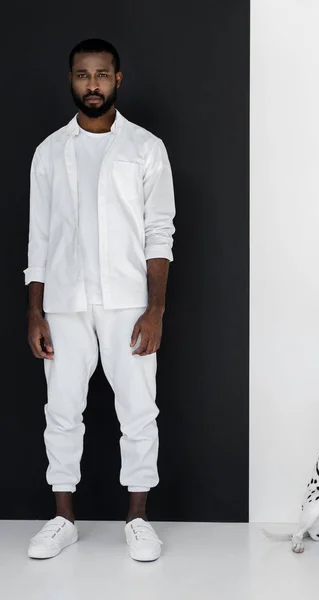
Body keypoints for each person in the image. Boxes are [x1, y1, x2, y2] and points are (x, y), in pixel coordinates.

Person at [24, 38, 176, 562]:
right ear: (71, 80)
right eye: (83, 75)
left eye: (102, 75)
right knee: (62, 409)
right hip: (65, 302)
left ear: (118, 80)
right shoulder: (49, 152)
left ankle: (137, 518)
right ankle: (63, 516)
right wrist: (34, 311)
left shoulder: (145, 148)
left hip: (128, 302)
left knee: (138, 409)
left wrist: (155, 309)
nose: (93, 84)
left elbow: (160, 233)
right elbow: (38, 239)